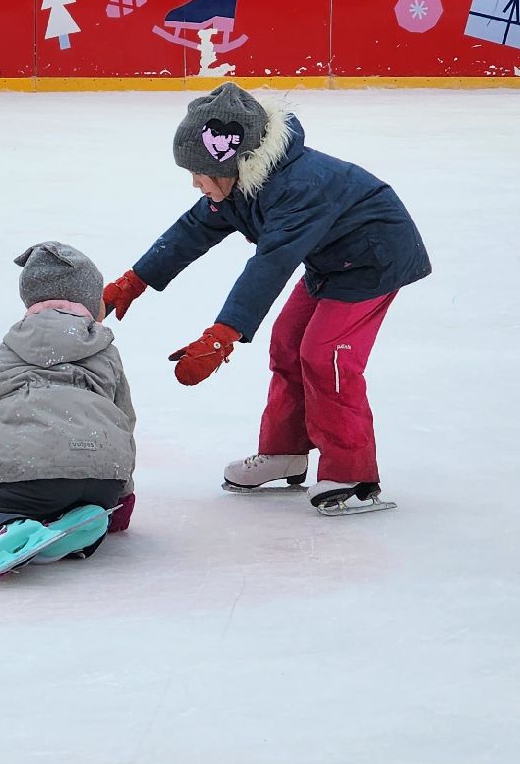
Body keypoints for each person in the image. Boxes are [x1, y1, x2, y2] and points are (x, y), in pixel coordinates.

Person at [101, 82, 431, 515]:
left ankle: (352, 472)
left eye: (198, 172)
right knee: (287, 344)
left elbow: (272, 263)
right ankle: (285, 452)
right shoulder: (239, 182)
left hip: (375, 259)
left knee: (326, 356)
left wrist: (223, 334)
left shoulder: (299, 187)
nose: (195, 183)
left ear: (228, 161)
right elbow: (191, 232)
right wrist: (133, 281)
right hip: (330, 261)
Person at [0, 243, 138, 581]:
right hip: (102, 482)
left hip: (31, 474)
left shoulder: (7, 352)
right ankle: (74, 525)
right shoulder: (107, 353)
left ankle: (4, 530)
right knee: (61, 499)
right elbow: (124, 421)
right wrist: (120, 497)